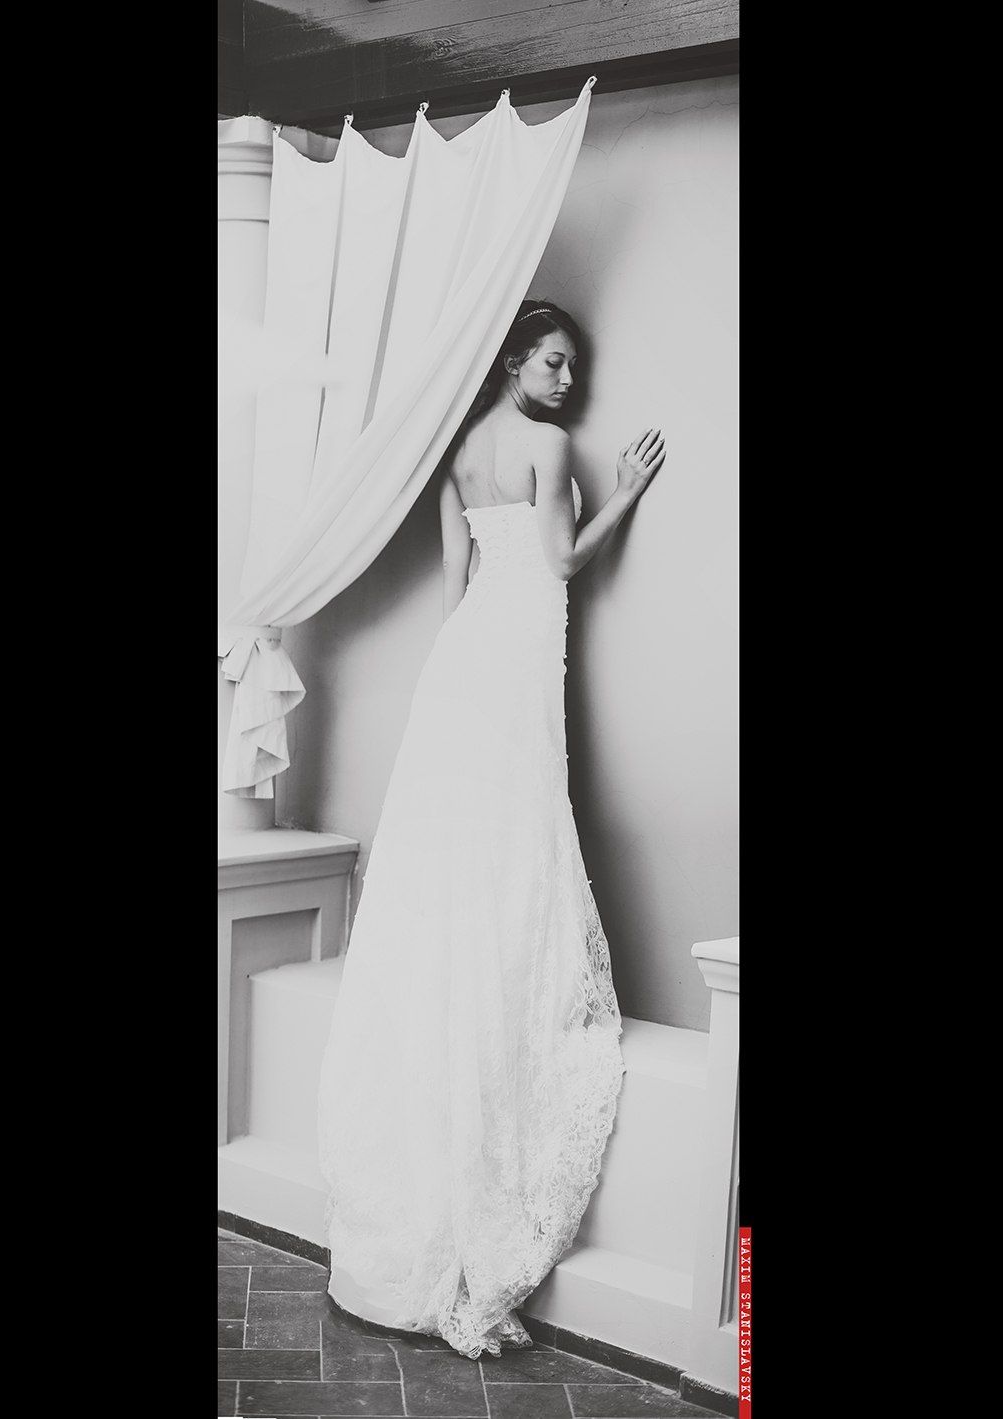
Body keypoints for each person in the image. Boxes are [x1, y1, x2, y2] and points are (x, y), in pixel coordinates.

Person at [316, 299, 667, 1360]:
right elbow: (558, 565)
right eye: (555, 362)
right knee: (512, 851)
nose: (567, 381)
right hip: (512, 663)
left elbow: (455, 586)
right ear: (516, 359)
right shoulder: (548, 447)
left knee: (458, 864)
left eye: (572, 367)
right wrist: (627, 493)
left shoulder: (458, 450)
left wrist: (454, 684)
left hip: (461, 665)